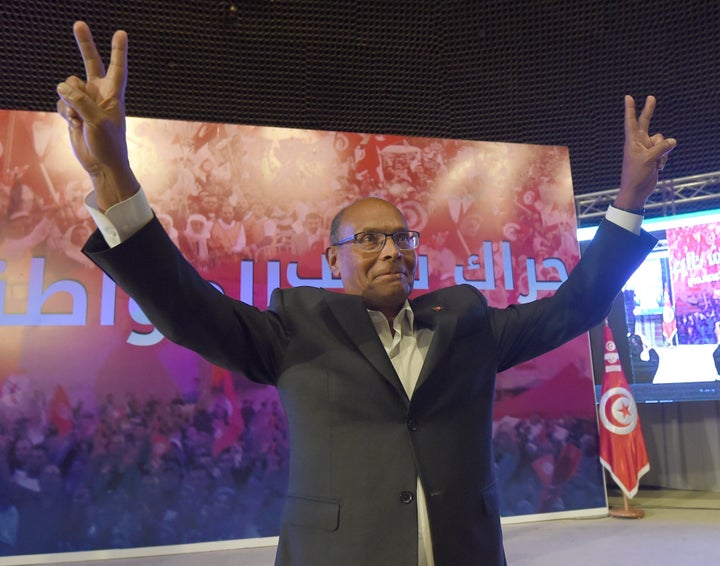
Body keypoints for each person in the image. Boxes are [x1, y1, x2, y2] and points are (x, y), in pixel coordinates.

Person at [56, 20, 676, 566]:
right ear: (333, 258)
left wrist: (630, 202)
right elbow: (185, 306)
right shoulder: (297, 324)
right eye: (370, 239)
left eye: (401, 237)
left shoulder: (465, 320)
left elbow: (576, 306)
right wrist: (112, 173)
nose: (391, 250)